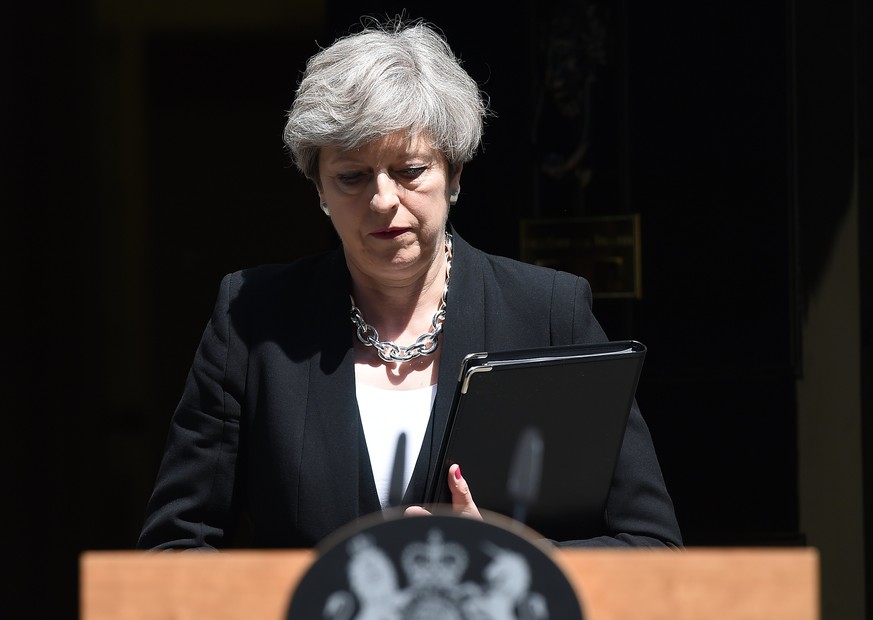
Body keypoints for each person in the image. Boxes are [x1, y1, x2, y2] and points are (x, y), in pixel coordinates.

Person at [137, 16, 682, 550]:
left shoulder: (548, 313)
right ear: (318, 189)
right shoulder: (253, 320)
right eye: (351, 176)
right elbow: (174, 547)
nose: (382, 199)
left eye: (410, 170)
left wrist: (511, 559)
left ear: (456, 174)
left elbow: (651, 545)